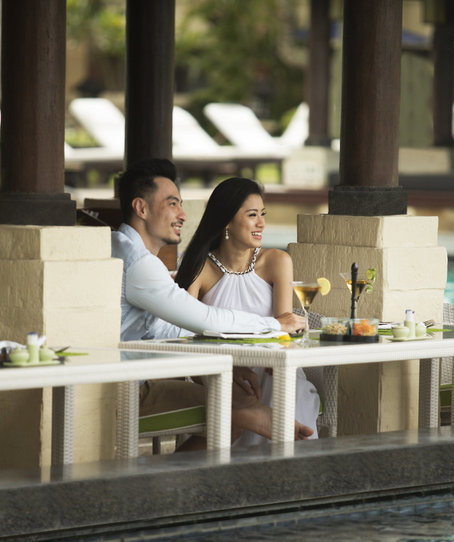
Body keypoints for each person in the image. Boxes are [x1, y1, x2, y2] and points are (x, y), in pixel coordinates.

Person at [110, 159, 311, 447]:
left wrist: (221, 363)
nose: (183, 215)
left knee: (238, 399)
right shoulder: (139, 263)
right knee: (234, 406)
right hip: (122, 389)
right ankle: (262, 430)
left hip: (126, 378)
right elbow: (205, 320)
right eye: (173, 204)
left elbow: (168, 330)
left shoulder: (121, 247)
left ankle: (259, 426)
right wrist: (274, 325)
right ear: (141, 208)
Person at [175, 177, 320, 446]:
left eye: (263, 214)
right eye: (252, 215)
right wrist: (222, 371)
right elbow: (182, 336)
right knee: (236, 392)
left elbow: (284, 329)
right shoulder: (200, 268)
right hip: (220, 370)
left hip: (272, 368)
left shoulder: (277, 261)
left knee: (281, 385)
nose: (261, 223)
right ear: (227, 221)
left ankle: (286, 462)